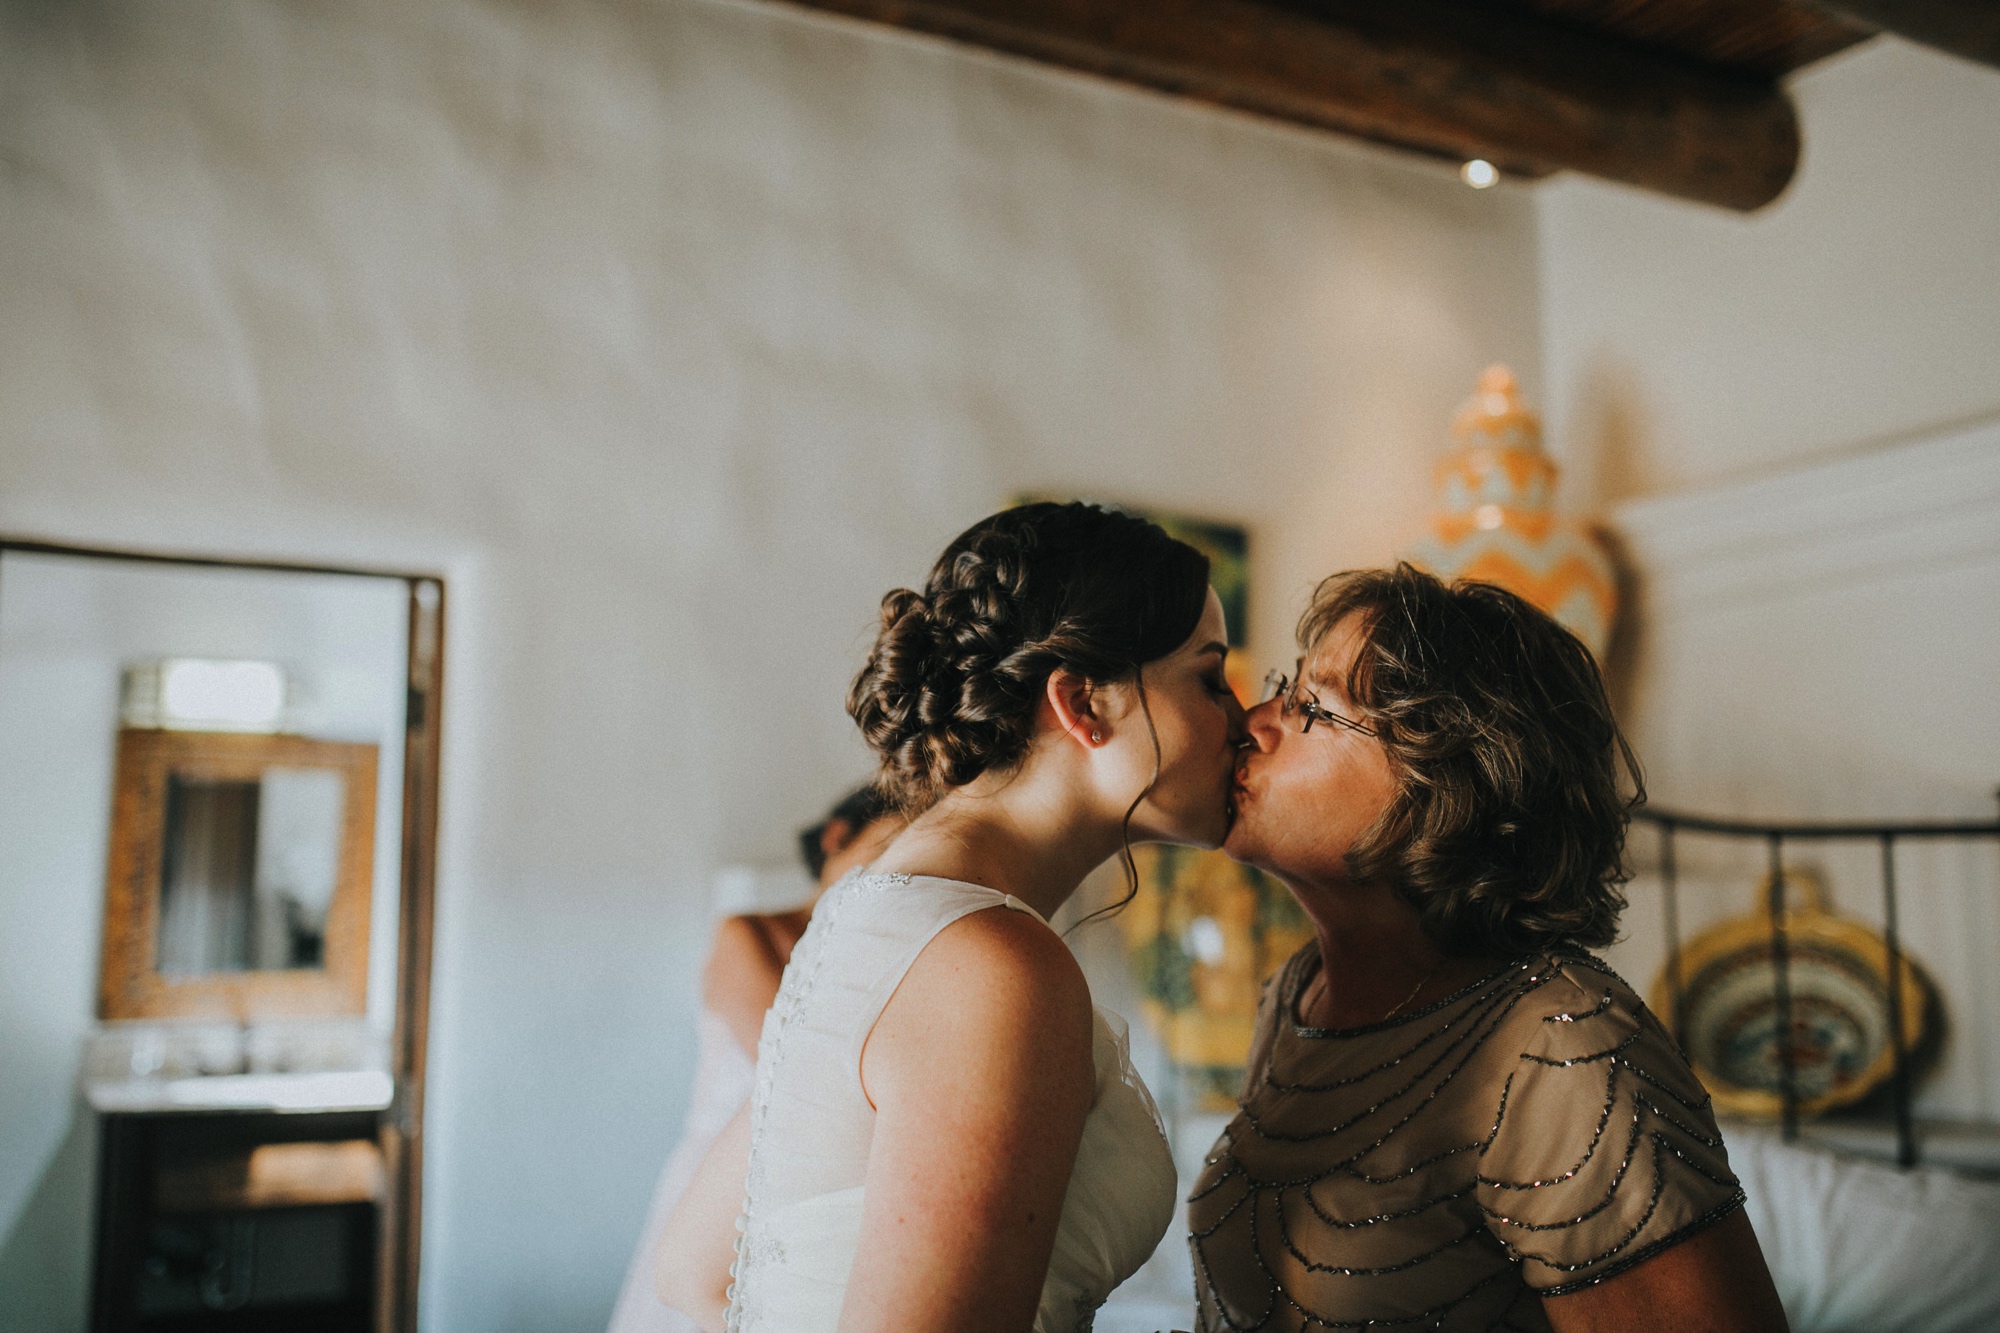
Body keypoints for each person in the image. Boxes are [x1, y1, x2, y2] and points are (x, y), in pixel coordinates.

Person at [656, 501, 1246, 1333]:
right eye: (1210, 676)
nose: (1244, 720)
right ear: (1084, 703)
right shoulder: (989, 964)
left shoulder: (873, 911)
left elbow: (691, 1266)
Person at [1192, 564, 1790, 1333]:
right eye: (1287, 685)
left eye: (1314, 705)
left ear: (1447, 783)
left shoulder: (1563, 1048)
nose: (1256, 720)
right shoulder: (1297, 995)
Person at [606, 787, 903, 1333]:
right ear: (838, 835)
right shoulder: (747, 933)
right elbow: (798, 1075)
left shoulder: (881, 960)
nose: (892, 874)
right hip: (724, 1193)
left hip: (817, 1192)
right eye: (886, 849)